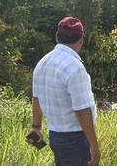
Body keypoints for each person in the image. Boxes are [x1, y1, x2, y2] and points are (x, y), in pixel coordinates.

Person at [26, 16, 101, 166]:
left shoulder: (42, 63)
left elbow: (36, 99)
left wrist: (36, 127)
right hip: (76, 140)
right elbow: (82, 111)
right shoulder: (75, 67)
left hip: (56, 137)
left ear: (56, 37)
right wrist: (94, 145)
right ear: (81, 39)